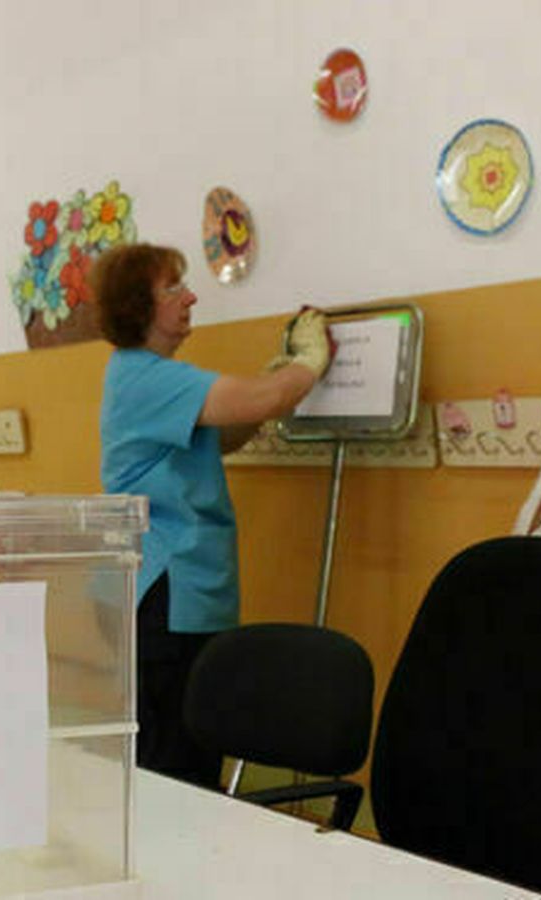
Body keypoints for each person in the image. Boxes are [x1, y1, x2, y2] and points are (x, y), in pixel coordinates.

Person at [93, 243, 331, 790]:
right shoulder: (143, 376)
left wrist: (277, 382)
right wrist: (306, 365)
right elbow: (261, 400)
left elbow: (225, 431)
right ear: (138, 307)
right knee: (177, 768)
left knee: (189, 753)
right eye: (173, 288)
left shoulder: (150, 377)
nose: (191, 296)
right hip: (164, 596)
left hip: (181, 595)